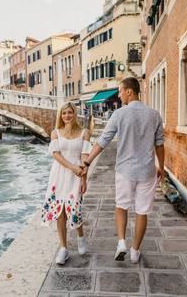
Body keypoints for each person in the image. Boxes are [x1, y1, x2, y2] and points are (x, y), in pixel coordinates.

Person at [80, 77, 164, 264]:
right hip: (147, 171)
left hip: (125, 170)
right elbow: (159, 144)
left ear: (129, 91)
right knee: (142, 211)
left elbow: (103, 140)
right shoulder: (154, 115)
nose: (118, 95)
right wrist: (162, 167)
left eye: (120, 91)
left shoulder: (119, 114)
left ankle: (122, 243)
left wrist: (86, 163)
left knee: (122, 206)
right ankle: (135, 252)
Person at [41, 102, 93, 265]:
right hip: (59, 174)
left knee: (74, 209)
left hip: (77, 175)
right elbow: (56, 155)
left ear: (75, 113)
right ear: (60, 115)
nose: (67, 116)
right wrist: (73, 167)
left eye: (70, 112)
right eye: (64, 113)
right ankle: (63, 248)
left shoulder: (84, 132)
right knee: (60, 212)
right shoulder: (55, 133)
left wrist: (83, 177)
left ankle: (80, 235)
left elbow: (84, 156)